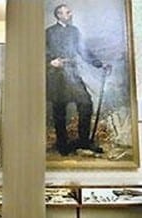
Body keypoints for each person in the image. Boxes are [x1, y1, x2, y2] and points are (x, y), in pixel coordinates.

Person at [46, 4, 111, 155]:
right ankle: (62, 145)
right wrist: (50, 62)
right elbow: (39, 51)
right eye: (66, 12)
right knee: (59, 110)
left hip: (72, 72)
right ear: (58, 15)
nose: (69, 14)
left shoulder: (74, 31)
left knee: (86, 103)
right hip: (56, 75)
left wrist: (100, 64)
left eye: (69, 12)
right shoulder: (49, 32)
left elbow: (83, 51)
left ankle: (84, 141)